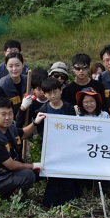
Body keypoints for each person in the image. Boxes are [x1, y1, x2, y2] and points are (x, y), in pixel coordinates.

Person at [0, 97, 44, 198]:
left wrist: (35, 122)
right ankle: (12, 197)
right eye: (3, 114)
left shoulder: (9, 128)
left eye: (10, 113)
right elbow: (12, 165)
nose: (7, 117)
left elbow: (23, 134)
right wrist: (33, 165)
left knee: (39, 173)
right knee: (29, 174)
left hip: (8, 172)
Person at [36, 77, 78, 207]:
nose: (53, 95)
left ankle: (68, 201)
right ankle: (51, 203)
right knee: (54, 177)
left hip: (68, 147)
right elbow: (41, 132)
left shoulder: (69, 108)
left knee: (68, 174)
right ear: (44, 94)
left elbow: (73, 128)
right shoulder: (42, 111)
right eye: (49, 93)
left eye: (55, 92)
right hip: (51, 149)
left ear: (60, 91)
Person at [0, 52, 28, 118]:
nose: (14, 69)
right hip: (9, 121)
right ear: (6, 66)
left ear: (22, 65)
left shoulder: (28, 80)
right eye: (10, 66)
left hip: (27, 118)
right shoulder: (1, 87)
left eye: (17, 65)